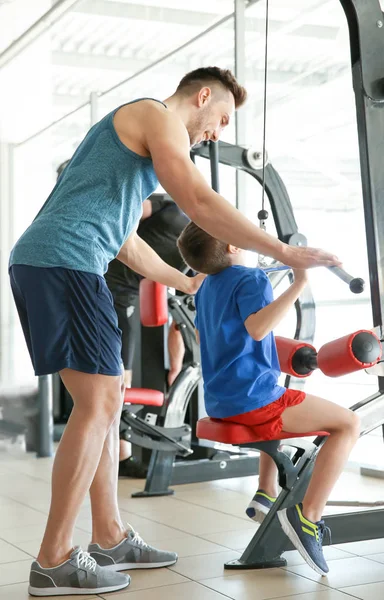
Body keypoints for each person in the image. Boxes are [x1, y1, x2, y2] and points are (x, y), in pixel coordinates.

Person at [9, 66, 340, 597]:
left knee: (108, 401)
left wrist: (183, 280)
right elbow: (199, 202)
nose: (217, 132)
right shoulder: (154, 115)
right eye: (222, 118)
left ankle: (111, 537)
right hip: (65, 263)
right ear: (203, 95)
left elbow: (123, 241)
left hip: (62, 260)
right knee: (97, 408)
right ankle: (53, 559)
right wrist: (282, 251)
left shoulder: (128, 151)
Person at [177, 221, 360, 577]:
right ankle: (308, 518)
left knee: (293, 394)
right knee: (348, 424)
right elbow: (258, 328)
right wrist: (301, 283)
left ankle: (265, 491)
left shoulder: (207, 286)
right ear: (232, 246)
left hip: (221, 401)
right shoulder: (252, 280)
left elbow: (227, 337)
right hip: (253, 401)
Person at [104, 194, 190, 477]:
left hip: (121, 300)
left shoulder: (197, 255)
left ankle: (121, 458)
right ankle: (112, 456)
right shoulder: (168, 205)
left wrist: (176, 365)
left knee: (120, 384)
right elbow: (120, 212)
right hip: (100, 282)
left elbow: (179, 321)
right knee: (114, 383)